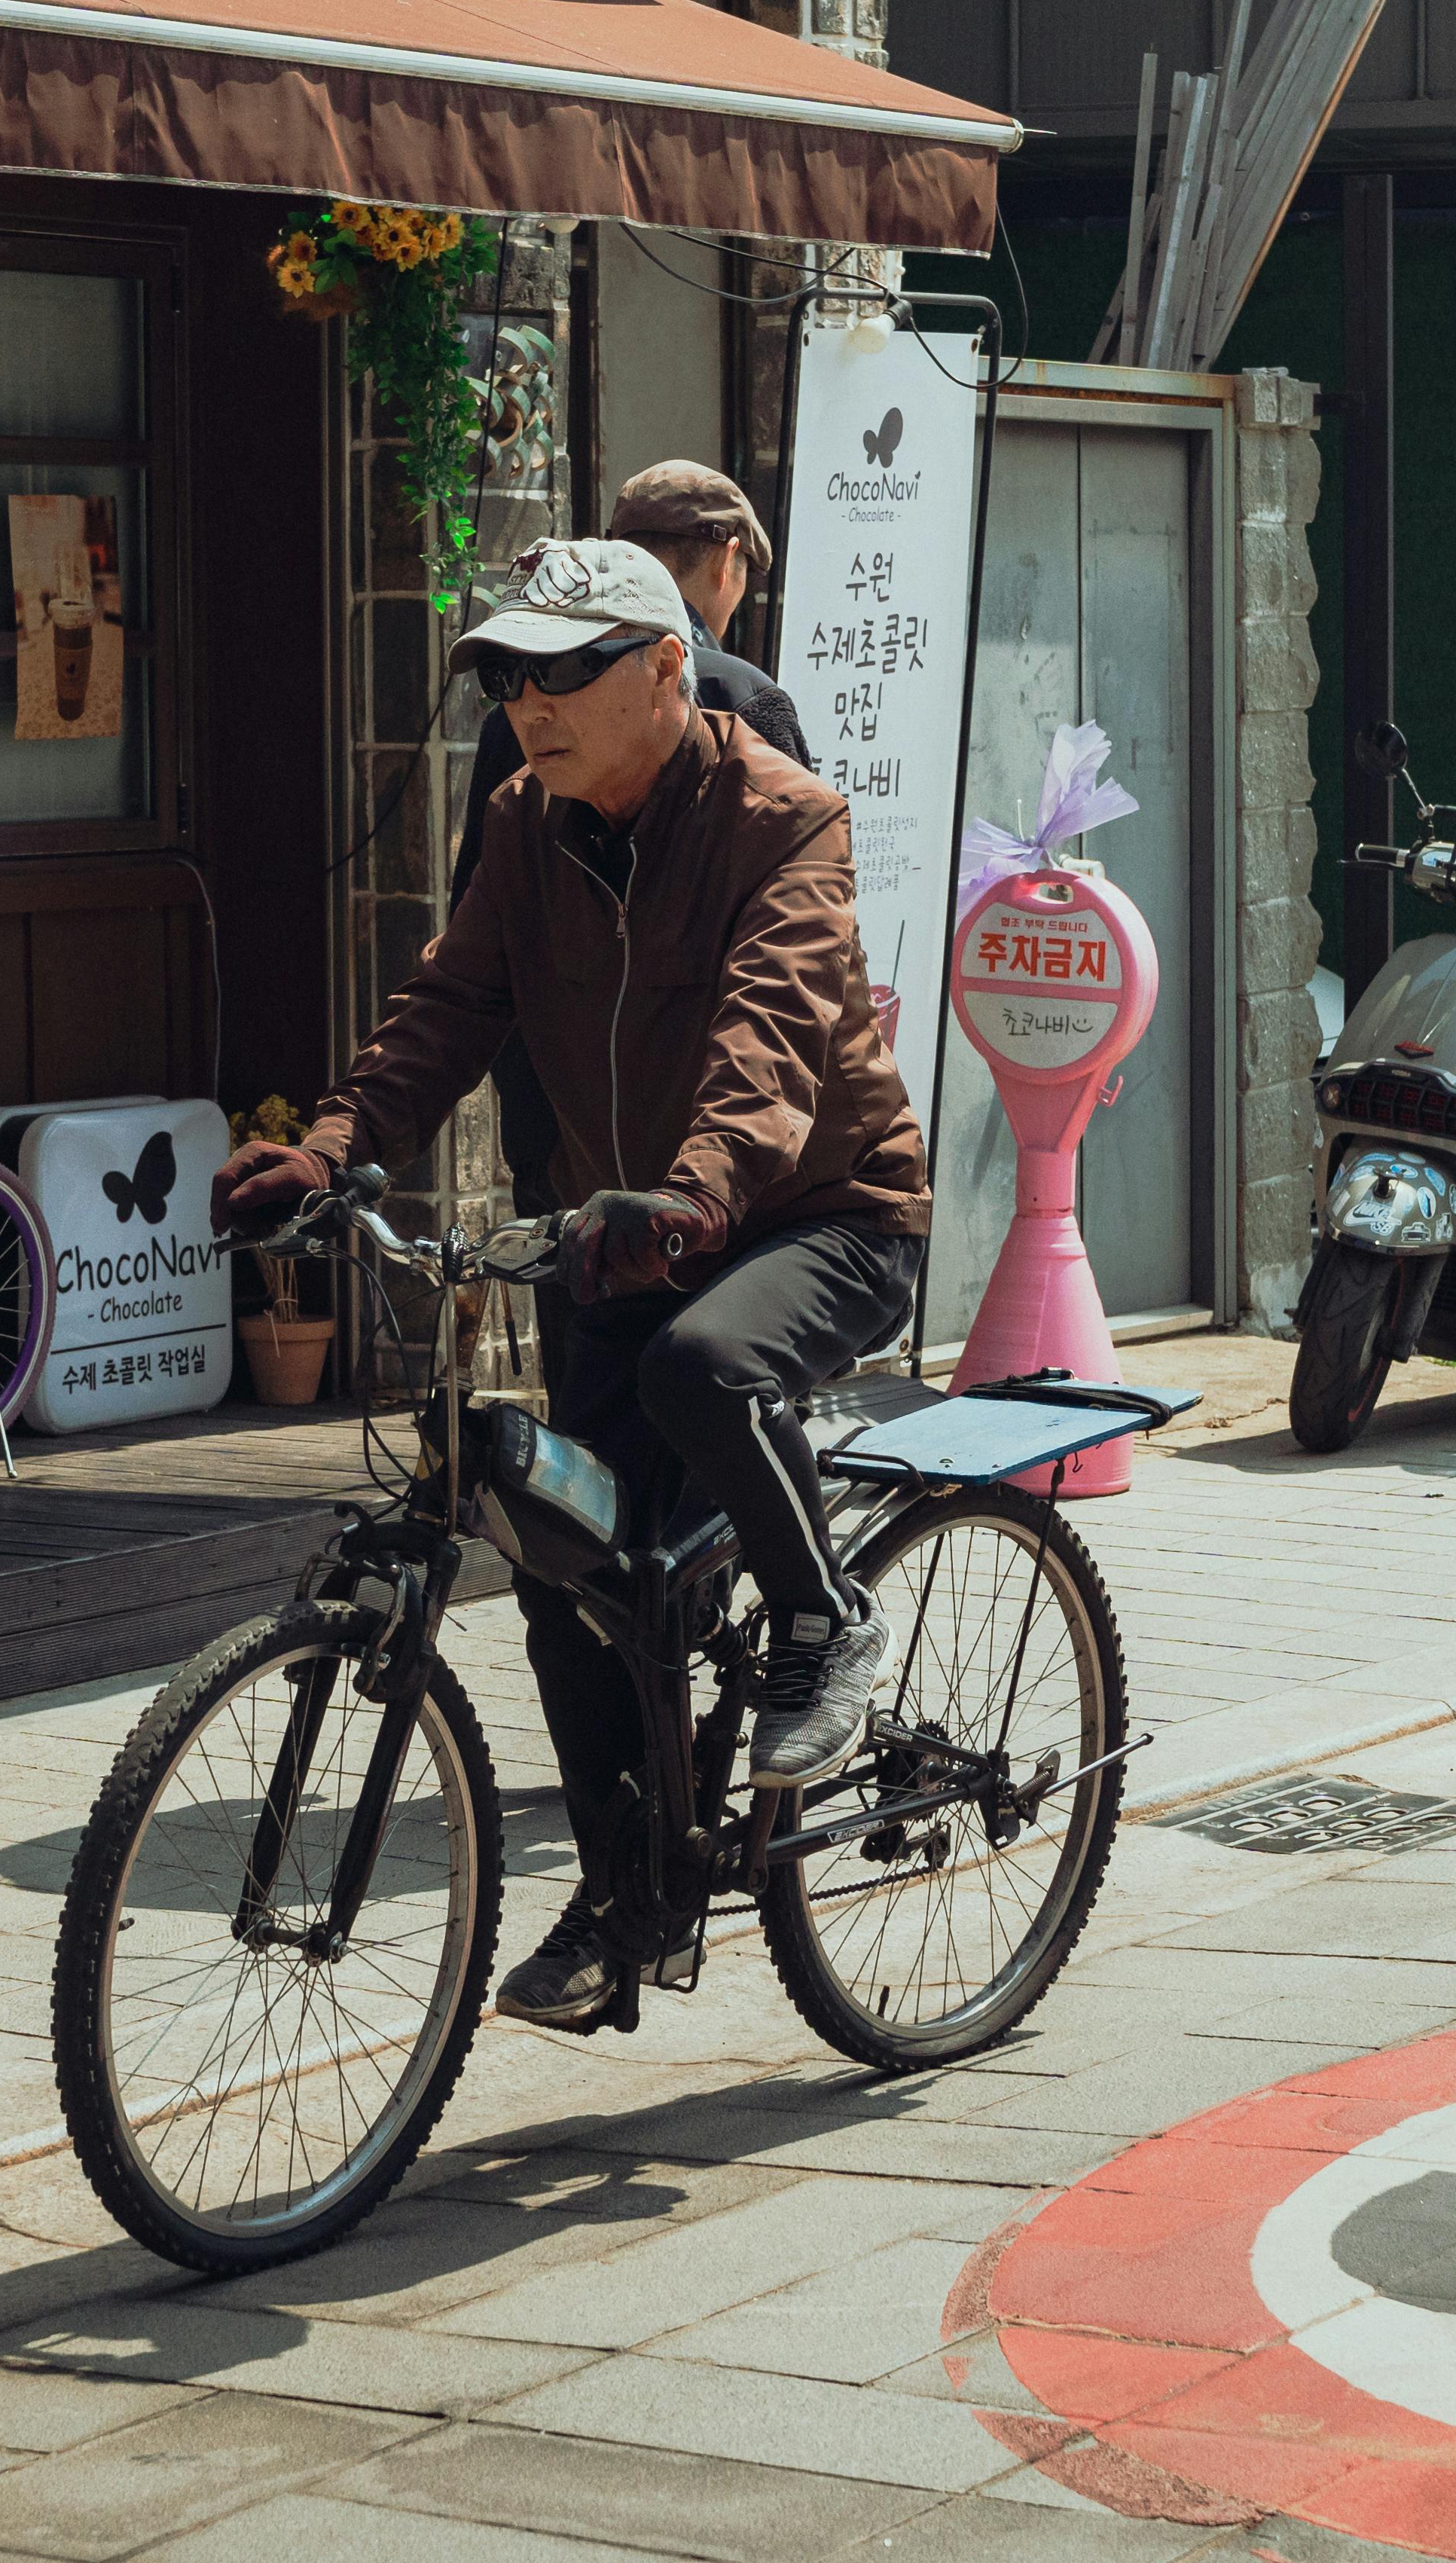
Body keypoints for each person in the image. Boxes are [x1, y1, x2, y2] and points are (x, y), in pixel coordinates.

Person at [215, 541, 929, 2033]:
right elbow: (451, 1003)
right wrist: (337, 1145)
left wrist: (700, 1196)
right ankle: (628, 1898)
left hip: (817, 1213)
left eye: (564, 670)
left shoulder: (781, 819)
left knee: (700, 1366)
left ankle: (825, 1616)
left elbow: (772, 1029)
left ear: (668, 666)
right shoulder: (527, 822)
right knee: (567, 1573)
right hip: (625, 1231)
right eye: (511, 674)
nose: (529, 703)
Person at [450, 463, 810, 1212]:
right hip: (715, 1175)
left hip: (571, 1156)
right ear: (726, 559)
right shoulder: (746, 697)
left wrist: (536, 1133)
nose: (539, 707)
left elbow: (481, 964)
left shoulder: (509, 716)